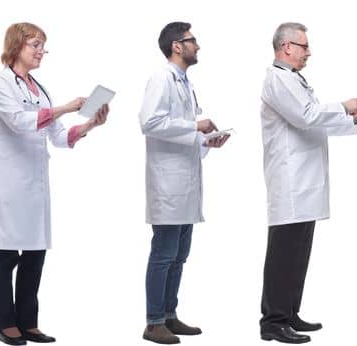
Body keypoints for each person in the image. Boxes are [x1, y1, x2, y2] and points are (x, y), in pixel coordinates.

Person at [0, 22, 109, 346]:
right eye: (34, 45)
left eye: (42, 46)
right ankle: (4, 322)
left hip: (34, 180)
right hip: (9, 177)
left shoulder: (40, 87)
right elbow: (19, 121)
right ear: (16, 46)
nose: (40, 52)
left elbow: (59, 137)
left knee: (35, 253)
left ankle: (28, 322)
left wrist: (91, 123)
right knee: (6, 254)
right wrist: (66, 106)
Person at [256, 22, 357, 344]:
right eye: (304, 46)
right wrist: (344, 106)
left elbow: (315, 121)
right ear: (286, 47)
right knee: (283, 253)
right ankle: (273, 322)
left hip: (305, 180)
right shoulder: (277, 79)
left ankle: (290, 312)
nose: (309, 52)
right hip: (289, 181)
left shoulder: (294, 80)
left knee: (299, 251)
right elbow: (307, 116)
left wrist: (354, 117)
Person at [137, 21, 227, 345]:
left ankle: (170, 315)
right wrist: (195, 125)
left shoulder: (184, 82)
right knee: (163, 254)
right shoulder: (162, 78)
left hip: (186, 184)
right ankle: (153, 321)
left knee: (179, 255)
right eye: (192, 40)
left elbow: (183, 132)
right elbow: (150, 122)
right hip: (168, 184)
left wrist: (206, 140)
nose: (197, 46)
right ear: (177, 45)